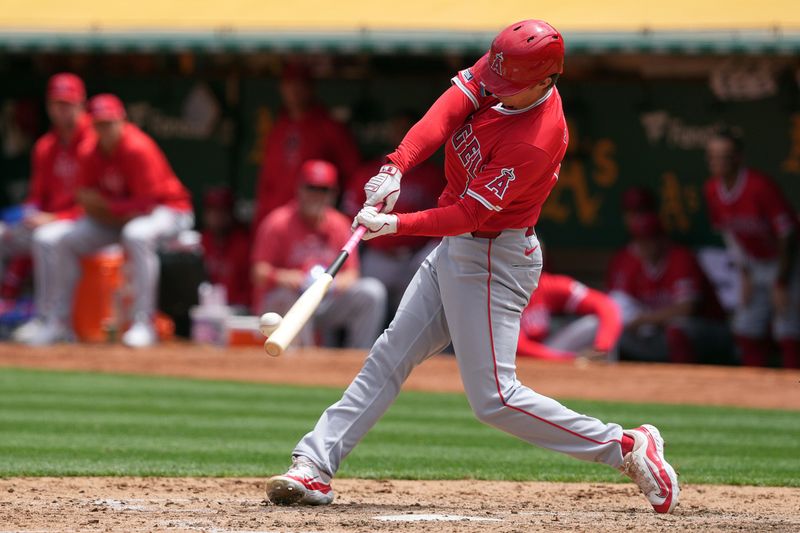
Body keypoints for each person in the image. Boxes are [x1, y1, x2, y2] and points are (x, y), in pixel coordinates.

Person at [265, 20, 679, 514]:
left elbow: (468, 216)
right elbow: (447, 112)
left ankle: (628, 447)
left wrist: (395, 226)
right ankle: (313, 466)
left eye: (508, 84)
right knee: (389, 354)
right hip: (456, 251)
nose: (494, 87)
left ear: (546, 80)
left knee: (495, 399)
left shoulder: (537, 139)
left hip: (492, 258)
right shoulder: (507, 64)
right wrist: (396, 165)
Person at [27, 94, 194, 347]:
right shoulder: (88, 151)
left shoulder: (138, 147)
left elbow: (146, 204)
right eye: (99, 124)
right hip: (117, 220)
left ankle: (143, 322)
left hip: (169, 211)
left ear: (122, 120)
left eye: (109, 123)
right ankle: (57, 322)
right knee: (56, 238)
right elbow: (85, 199)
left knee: (136, 234)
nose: (104, 129)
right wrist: (106, 208)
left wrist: (107, 206)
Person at [251, 159, 386, 349]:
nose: (317, 195)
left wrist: (327, 284)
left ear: (333, 193)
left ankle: (358, 359)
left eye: (324, 190)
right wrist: (284, 277)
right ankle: (302, 361)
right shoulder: (278, 222)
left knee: (371, 292)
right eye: (312, 188)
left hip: (325, 301)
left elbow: (352, 275)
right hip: (287, 300)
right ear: (299, 189)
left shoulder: (339, 224)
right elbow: (258, 272)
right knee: (288, 297)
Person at [4, 73, 95, 342]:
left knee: (47, 237)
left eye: (68, 103)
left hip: (81, 221)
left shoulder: (93, 143)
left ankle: (50, 319)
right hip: (51, 218)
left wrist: (54, 217)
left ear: (81, 104)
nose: (61, 109)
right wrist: (26, 214)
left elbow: (98, 202)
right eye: (57, 103)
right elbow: (36, 196)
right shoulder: (45, 146)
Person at [703, 131, 799, 368]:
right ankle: (754, 393)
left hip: (789, 260)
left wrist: (781, 282)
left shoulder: (759, 186)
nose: (717, 162)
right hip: (754, 263)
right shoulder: (712, 190)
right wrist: (744, 272)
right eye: (712, 157)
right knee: (746, 327)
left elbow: (788, 234)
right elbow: (730, 234)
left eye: (723, 156)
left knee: (788, 328)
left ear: (738, 158)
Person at [341, 111, 445, 314]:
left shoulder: (432, 176)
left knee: (414, 312)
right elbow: (348, 216)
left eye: (407, 129)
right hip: (378, 255)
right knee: (369, 301)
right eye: (397, 129)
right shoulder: (369, 171)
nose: (401, 134)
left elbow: (445, 220)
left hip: (415, 257)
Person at [607, 212, 732, 364]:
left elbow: (686, 309)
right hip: (659, 330)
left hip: (708, 327)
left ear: (662, 238)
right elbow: (620, 302)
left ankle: (684, 378)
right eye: (639, 240)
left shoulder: (681, 258)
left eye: (649, 239)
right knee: (617, 333)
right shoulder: (634, 264)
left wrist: (644, 320)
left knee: (677, 329)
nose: (643, 245)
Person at [252, 63, 361, 229]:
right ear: (282, 88)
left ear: (311, 88)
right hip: (276, 223)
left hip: (314, 223)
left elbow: (353, 175)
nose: (294, 91)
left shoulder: (329, 127)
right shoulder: (278, 128)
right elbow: (266, 181)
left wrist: (345, 216)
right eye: (289, 84)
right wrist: (260, 222)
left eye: (300, 84)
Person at [517, 271, 622, 361]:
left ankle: (606, 378)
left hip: (548, 351)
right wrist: (572, 358)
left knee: (596, 324)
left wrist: (602, 346)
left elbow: (605, 304)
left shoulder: (547, 284)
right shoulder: (504, 294)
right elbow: (517, 347)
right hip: (517, 364)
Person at [200, 187, 251, 310]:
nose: (217, 216)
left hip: (237, 311)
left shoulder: (244, 244)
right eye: (212, 210)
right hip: (206, 311)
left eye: (222, 211)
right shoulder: (201, 242)